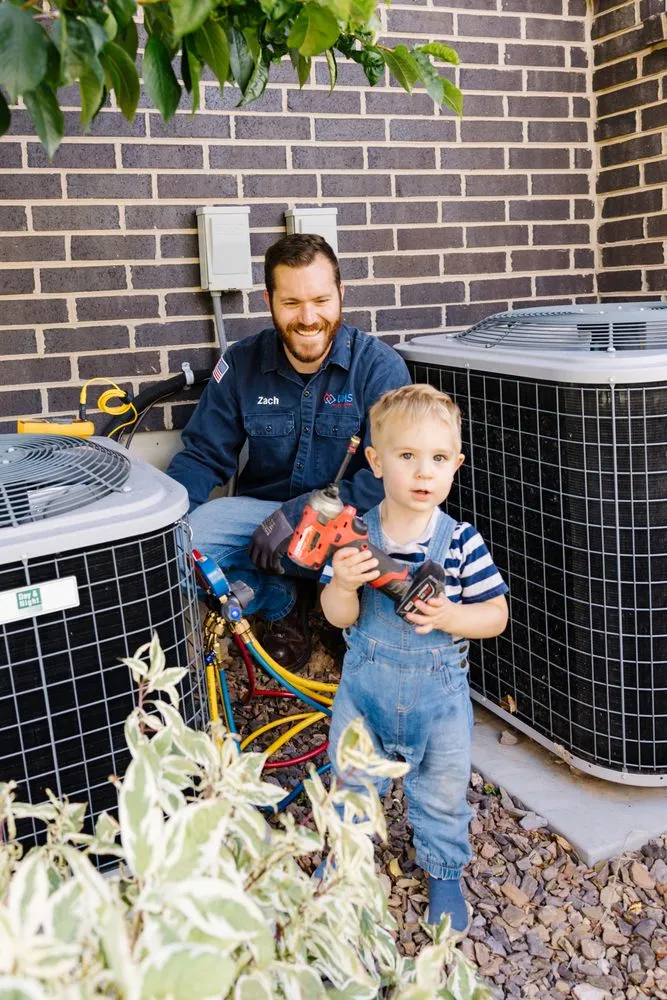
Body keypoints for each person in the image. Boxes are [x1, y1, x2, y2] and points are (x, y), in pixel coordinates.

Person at [167, 233, 410, 669]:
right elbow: (203, 455)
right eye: (292, 302)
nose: (308, 318)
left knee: (398, 541)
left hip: (349, 523)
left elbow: (390, 476)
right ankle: (281, 601)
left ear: (341, 293)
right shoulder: (241, 363)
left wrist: (305, 511)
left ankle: (346, 614)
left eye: (321, 300)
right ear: (269, 301)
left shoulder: (379, 367)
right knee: (180, 547)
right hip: (262, 525)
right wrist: (160, 527)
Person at [320, 384, 509, 931]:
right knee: (352, 781)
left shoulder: (461, 543)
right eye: (407, 456)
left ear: (456, 466)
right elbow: (337, 617)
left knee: (443, 793)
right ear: (377, 462)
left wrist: (451, 616)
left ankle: (443, 871)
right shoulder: (356, 537)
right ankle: (347, 859)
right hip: (364, 696)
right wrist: (344, 585)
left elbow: (495, 616)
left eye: (439, 459)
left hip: (439, 704)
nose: (424, 472)